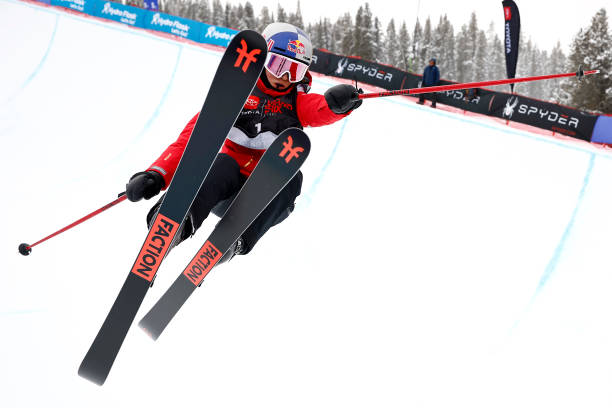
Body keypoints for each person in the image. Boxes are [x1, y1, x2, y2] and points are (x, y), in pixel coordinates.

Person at [124, 22, 362, 262]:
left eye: (294, 71)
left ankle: (230, 243)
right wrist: (157, 174)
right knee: (223, 163)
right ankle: (174, 223)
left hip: (260, 201)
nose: (284, 77)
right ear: (263, 60)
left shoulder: (297, 102)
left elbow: (320, 109)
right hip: (223, 188)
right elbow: (193, 139)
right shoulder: (235, 94)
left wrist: (336, 106)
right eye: (278, 65)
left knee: (292, 177)